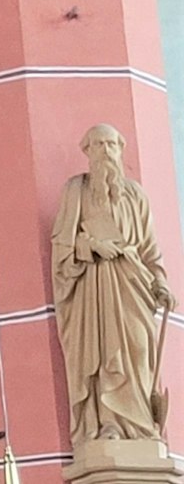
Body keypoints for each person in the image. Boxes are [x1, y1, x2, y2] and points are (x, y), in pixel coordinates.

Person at [52, 123, 175, 445]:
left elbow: (150, 248)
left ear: (120, 150)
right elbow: (62, 245)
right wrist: (92, 247)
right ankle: (109, 424)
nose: (106, 151)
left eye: (112, 145)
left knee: (138, 350)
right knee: (105, 353)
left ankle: (141, 427)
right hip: (95, 287)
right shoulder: (76, 190)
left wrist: (161, 283)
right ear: (88, 151)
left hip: (133, 285)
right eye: (99, 144)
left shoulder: (135, 195)